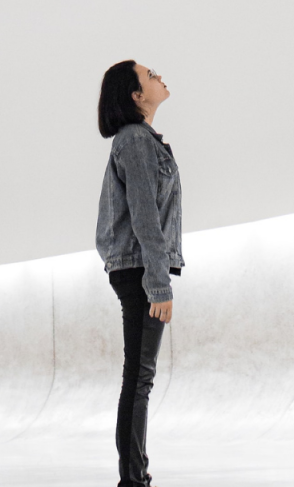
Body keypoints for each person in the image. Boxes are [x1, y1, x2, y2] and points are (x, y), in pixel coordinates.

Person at [96, 60, 184, 487]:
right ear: (135, 95)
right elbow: (145, 216)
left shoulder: (142, 140)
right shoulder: (134, 140)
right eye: (150, 75)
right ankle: (133, 481)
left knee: (139, 376)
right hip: (139, 269)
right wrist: (158, 282)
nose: (159, 76)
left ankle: (134, 477)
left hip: (137, 266)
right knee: (140, 378)